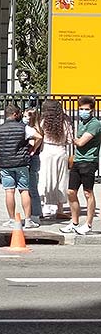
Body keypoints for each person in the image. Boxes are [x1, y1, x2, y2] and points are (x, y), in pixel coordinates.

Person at [0, 105, 42, 229]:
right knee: (24, 190)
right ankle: (27, 220)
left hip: (5, 164)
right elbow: (39, 136)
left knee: (9, 191)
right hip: (21, 163)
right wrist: (32, 149)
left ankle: (11, 219)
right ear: (15, 114)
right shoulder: (23, 128)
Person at [61, 96, 101, 235]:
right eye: (81, 109)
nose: (83, 111)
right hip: (78, 160)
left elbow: (81, 142)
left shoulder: (95, 124)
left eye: (86, 109)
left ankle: (88, 224)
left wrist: (70, 137)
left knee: (88, 192)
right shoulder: (82, 123)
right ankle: (74, 222)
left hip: (89, 161)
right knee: (71, 192)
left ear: (92, 110)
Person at [38, 99, 72, 220]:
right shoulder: (65, 120)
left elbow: (38, 137)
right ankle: (60, 208)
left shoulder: (42, 121)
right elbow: (69, 139)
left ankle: (43, 207)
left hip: (46, 150)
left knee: (45, 178)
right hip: (60, 151)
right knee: (61, 180)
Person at [23, 108, 44, 223]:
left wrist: (33, 149)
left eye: (27, 116)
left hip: (32, 159)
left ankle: (35, 214)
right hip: (34, 159)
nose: (25, 119)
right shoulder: (36, 129)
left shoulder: (34, 130)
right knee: (31, 187)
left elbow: (35, 142)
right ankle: (34, 212)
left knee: (32, 188)